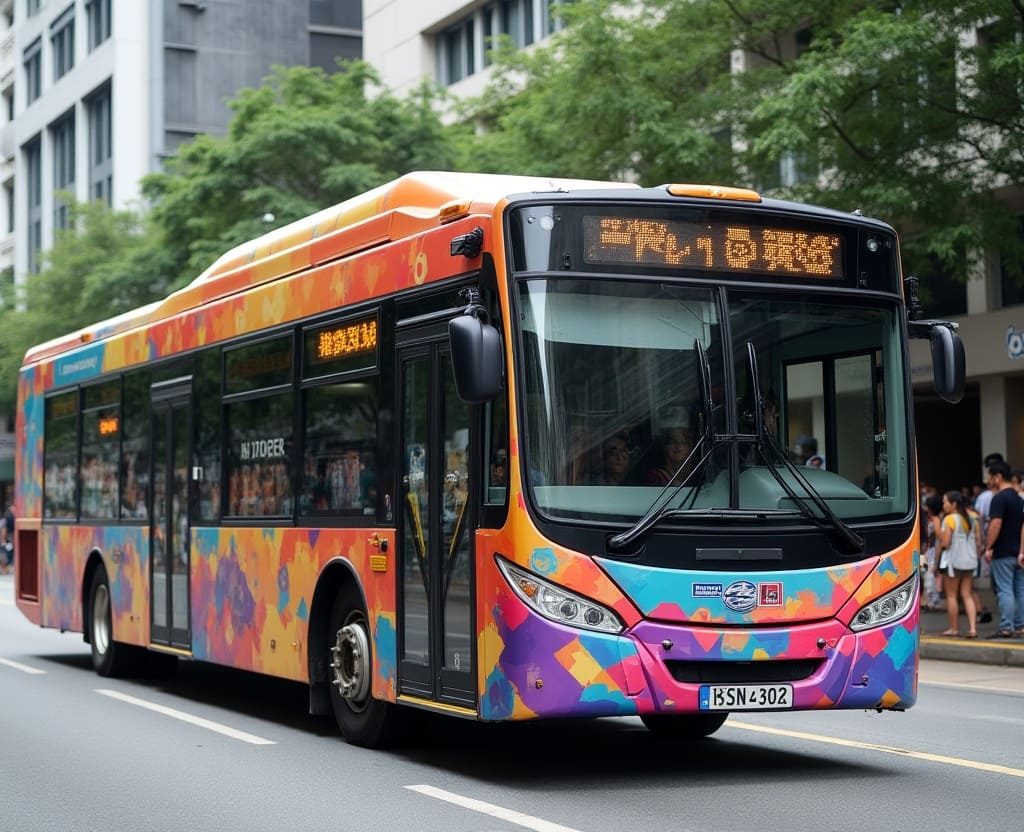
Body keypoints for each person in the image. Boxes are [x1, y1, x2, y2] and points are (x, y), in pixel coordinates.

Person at [982, 460, 1024, 638]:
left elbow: (995, 524)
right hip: (1018, 552)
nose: (988, 481)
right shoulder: (1018, 498)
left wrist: (988, 546)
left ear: (998, 477)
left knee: (1004, 589)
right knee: (1020, 590)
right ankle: (1020, 625)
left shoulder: (999, 498)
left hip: (1003, 551)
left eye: (990, 477)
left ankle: (1006, 626)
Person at [935, 490, 979, 637]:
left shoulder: (950, 519)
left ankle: (954, 629)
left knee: (952, 596)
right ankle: (973, 628)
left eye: (945, 502)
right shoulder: (973, 517)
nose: (943, 505)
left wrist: (939, 534)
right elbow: (978, 541)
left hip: (954, 562)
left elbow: (946, 543)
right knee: (967, 594)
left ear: (953, 504)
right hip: (970, 561)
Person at [0, 504, 13, 575]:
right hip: (3, 541)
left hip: (3, 541)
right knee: (4, 555)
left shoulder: (2, 521)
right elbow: (3, 531)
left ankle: (4, 569)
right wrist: (3, 541)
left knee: (4, 554)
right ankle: (4, 569)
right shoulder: (4, 521)